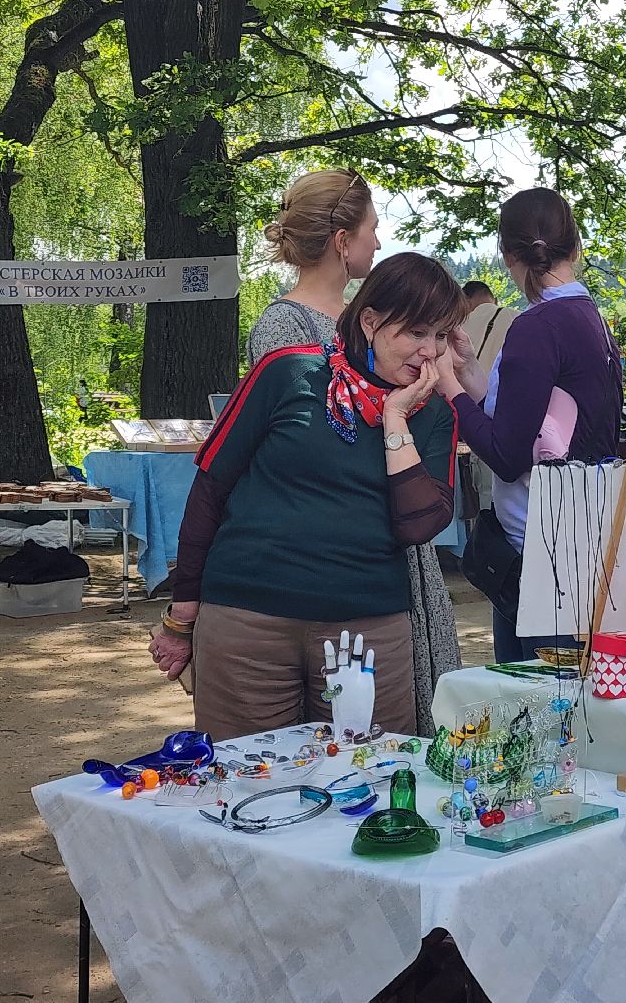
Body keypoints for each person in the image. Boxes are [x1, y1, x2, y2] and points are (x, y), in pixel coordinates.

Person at [148, 252, 463, 741]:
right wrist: (183, 610)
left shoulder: (432, 416)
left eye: (440, 336)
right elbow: (211, 487)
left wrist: (395, 421)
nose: (429, 350)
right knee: (245, 781)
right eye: (416, 332)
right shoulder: (288, 372)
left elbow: (418, 526)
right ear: (371, 321)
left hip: (367, 632)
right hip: (247, 625)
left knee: (368, 787)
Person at [436, 188, 623, 663]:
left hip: (537, 554)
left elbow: (508, 453)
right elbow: (531, 423)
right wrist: (469, 374)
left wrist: (448, 390)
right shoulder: (590, 319)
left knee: (535, 711)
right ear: (576, 245)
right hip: (582, 540)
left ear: (506, 254)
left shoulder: (536, 325)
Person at [245, 169, 380, 367]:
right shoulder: (283, 323)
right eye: (373, 229)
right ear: (342, 241)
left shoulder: (359, 316)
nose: (378, 244)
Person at [459, 280, 518, 383]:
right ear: (496, 300)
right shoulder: (518, 317)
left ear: (466, 303)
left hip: (469, 392)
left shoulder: (458, 327)